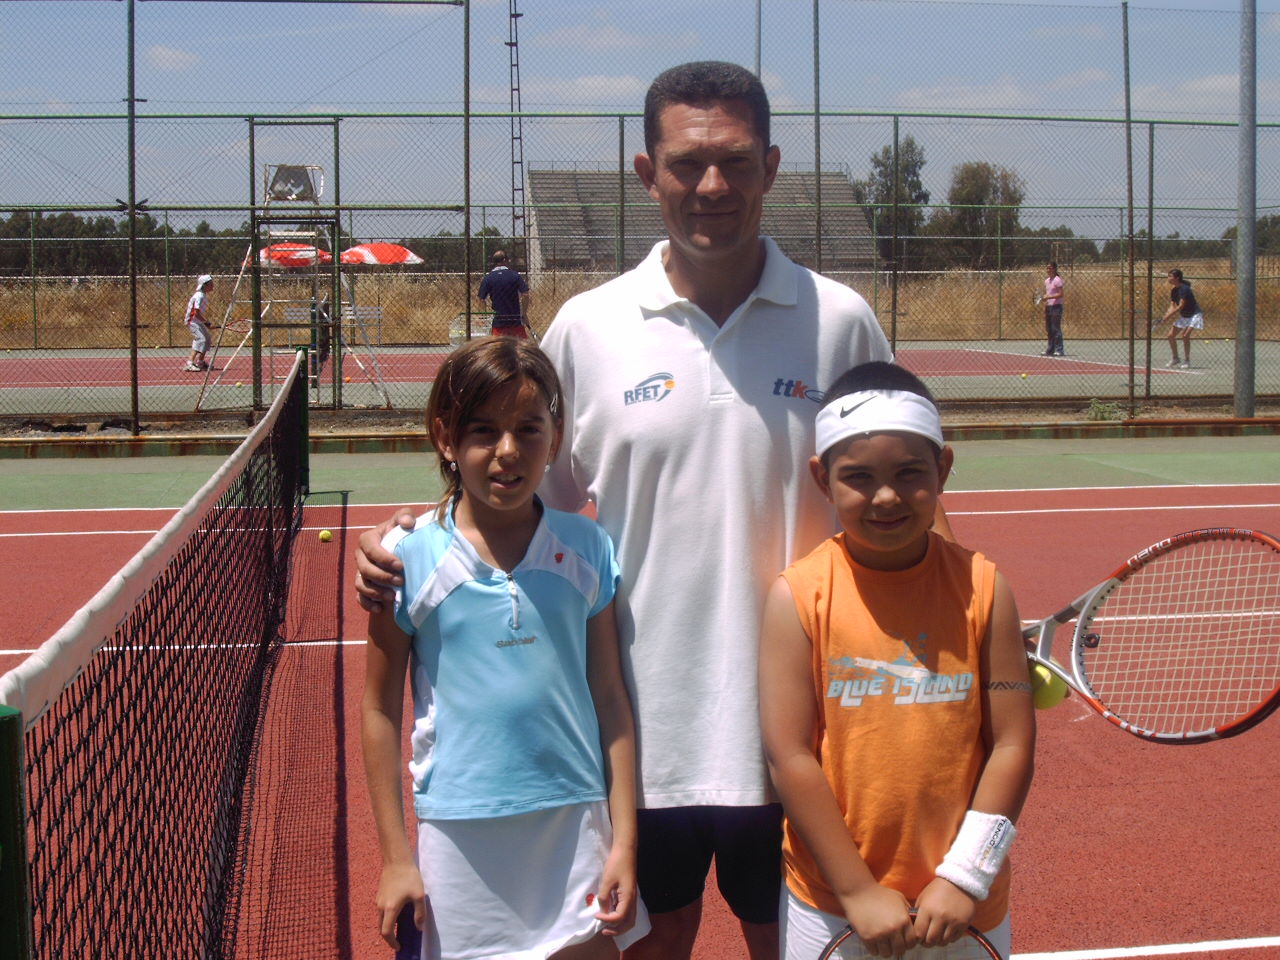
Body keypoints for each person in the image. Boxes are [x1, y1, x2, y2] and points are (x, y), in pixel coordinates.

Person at [358, 60, 893, 960]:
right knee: (655, 939)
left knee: (791, 944)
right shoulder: (587, 328)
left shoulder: (840, 322)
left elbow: (902, 498)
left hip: (806, 735)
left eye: (735, 161)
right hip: (635, 737)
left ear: (770, 166)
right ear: (649, 173)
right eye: (687, 163)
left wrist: (969, 617)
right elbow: (521, 504)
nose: (712, 185)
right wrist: (413, 533)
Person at [361, 336, 649, 959]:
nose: (508, 451)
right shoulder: (406, 560)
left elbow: (609, 700)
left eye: (528, 428)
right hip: (458, 831)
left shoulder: (587, 548)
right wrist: (395, 857)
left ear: (556, 435)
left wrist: (624, 842)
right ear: (446, 438)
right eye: (484, 431)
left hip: (576, 825)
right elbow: (378, 709)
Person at [758, 361, 1035, 960]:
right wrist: (856, 889)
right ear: (822, 478)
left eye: (910, 473)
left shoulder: (986, 588)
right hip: (833, 905)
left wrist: (965, 877)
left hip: (963, 907)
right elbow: (790, 755)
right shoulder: (798, 596)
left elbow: (1012, 745)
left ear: (943, 469)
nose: (886, 496)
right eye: (858, 477)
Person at [477, 249, 531, 338]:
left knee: (498, 345)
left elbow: (481, 299)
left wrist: (483, 317)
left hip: (498, 322)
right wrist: (524, 313)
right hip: (515, 320)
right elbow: (525, 294)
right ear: (505, 260)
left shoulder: (488, 278)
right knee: (520, 345)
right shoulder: (515, 275)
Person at [1159, 268, 1204, 369]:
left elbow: (1180, 306)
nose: (1168, 278)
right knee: (1170, 336)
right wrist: (1165, 316)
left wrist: (1168, 317)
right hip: (1185, 316)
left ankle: (1187, 360)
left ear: (1177, 278)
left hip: (1194, 314)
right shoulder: (1174, 291)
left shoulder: (1185, 289)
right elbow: (1172, 306)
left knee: (1185, 336)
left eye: (1170, 276)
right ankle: (1175, 358)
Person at [184, 274, 215, 372]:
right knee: (201, 339)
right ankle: (189, 363)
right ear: (204, 285)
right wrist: (206, 322)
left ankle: (200, 362)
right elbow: (195, 313)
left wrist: (205, 323)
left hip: (197, 321)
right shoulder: (199, 296)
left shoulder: (203, 295)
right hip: (192, 321)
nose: (213, 285)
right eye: (210, 283)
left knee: (207, 339)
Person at [1042, 262, 1064, 357]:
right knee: (1049, 329)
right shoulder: (1047, 281)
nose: (1048, 270)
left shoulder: (1057, 280)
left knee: (1055, 328)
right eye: (1047, 268)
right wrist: (1045, 301)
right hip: (1049, 306)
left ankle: (1059, 350)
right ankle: (1050, 349)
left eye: (1050, 268)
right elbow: (1048, 293)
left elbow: (1061, 294)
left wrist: (1049, 297)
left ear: (1054, 269)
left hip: (1056, 307)